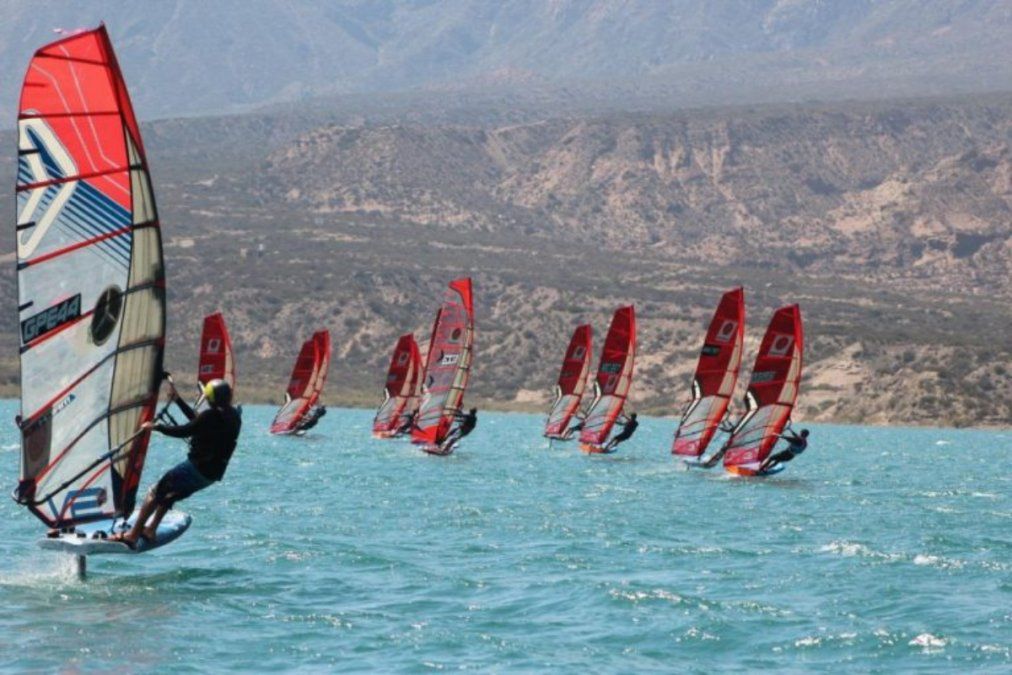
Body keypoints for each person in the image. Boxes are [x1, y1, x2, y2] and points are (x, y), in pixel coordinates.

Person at [110, 378, 241, 548]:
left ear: (210, 398)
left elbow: (186, 430)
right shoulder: (234, 417)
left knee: (155, 491)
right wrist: (178, 400)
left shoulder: (211, 416)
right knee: (168, 496)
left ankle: (133, 535)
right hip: (210, 476)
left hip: (195, 469)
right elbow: (197, 421)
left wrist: (157, 427)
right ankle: (150, 529)